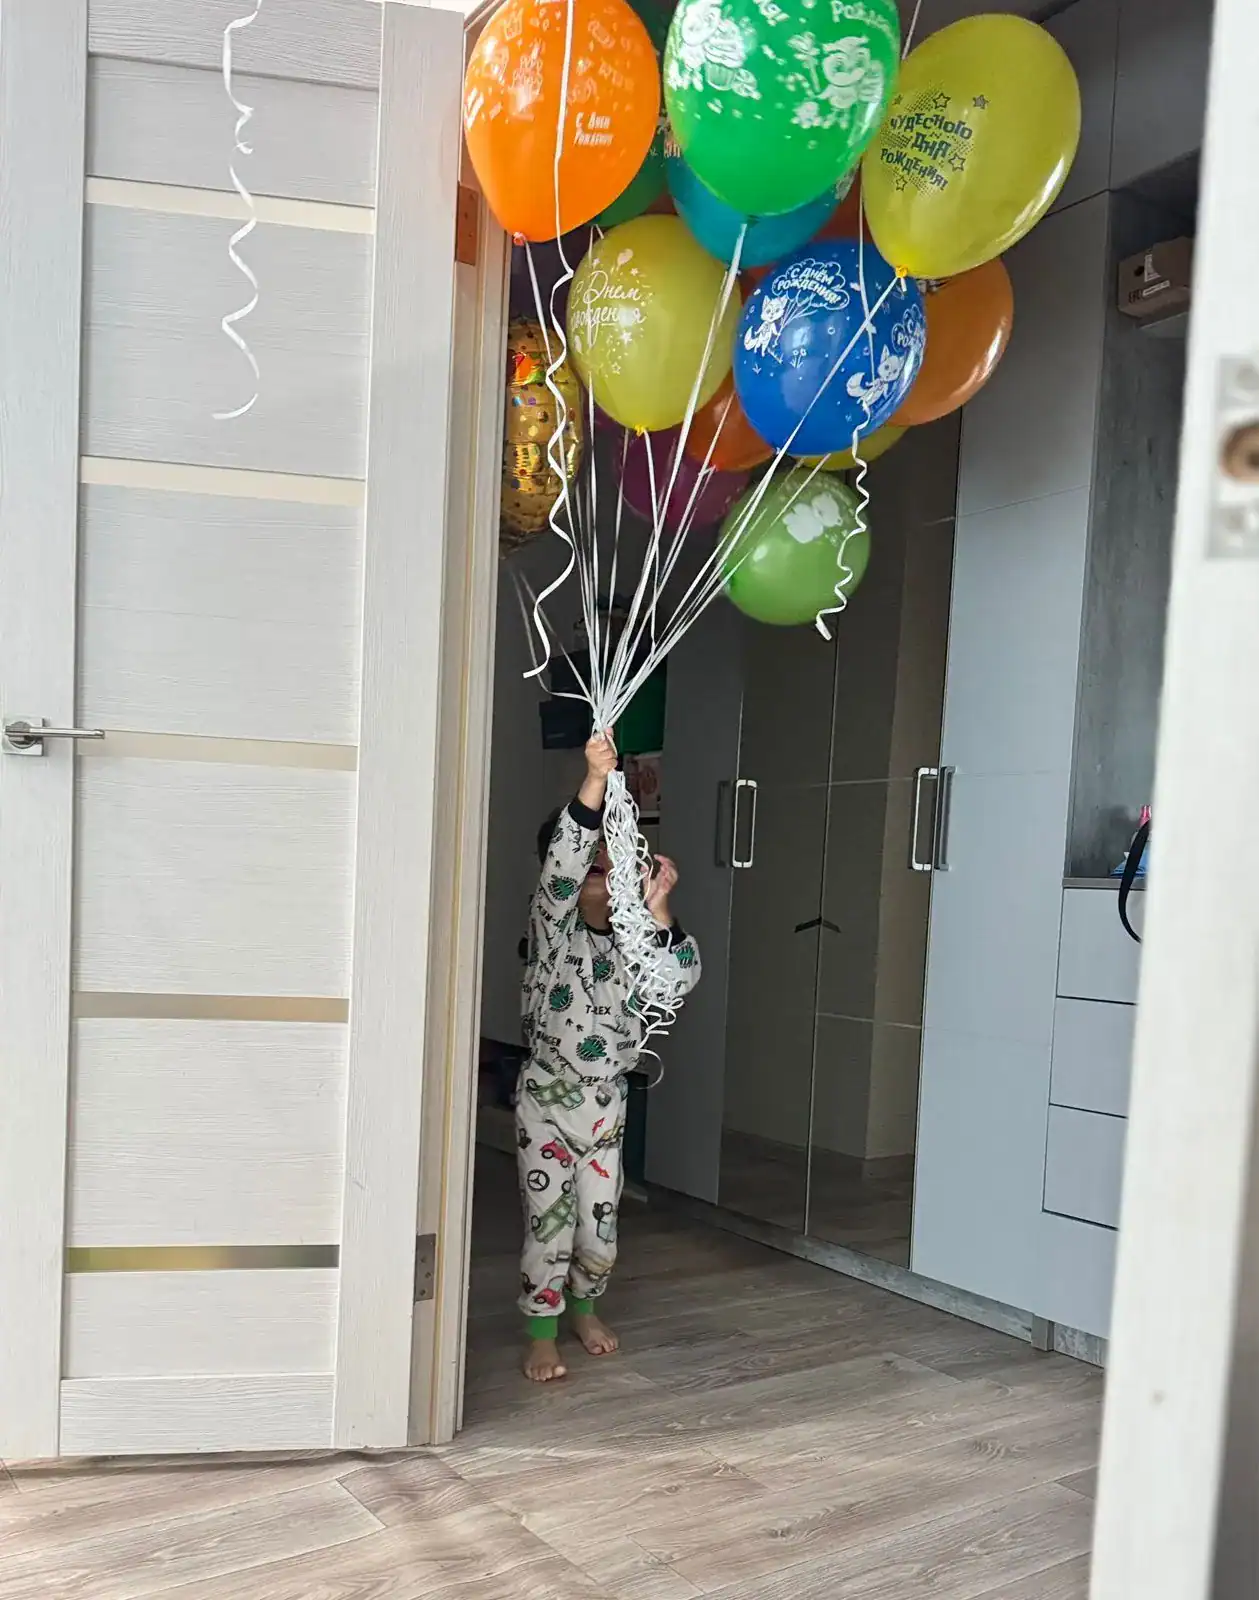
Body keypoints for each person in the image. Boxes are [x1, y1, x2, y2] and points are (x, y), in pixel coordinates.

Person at [517, 731, 701, 1382]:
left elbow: (678, 979)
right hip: (547, 1097)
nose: (597, 860)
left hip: (606, 1103)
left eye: (608, 855)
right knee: (550, 1223)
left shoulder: (632, 938)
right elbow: (565, 863)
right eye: (588, 856)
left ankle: (584, 1308)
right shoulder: (552, 925)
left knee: (599, 1225)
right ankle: (541, 1330)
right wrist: (595, 780)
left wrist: (659, 912)